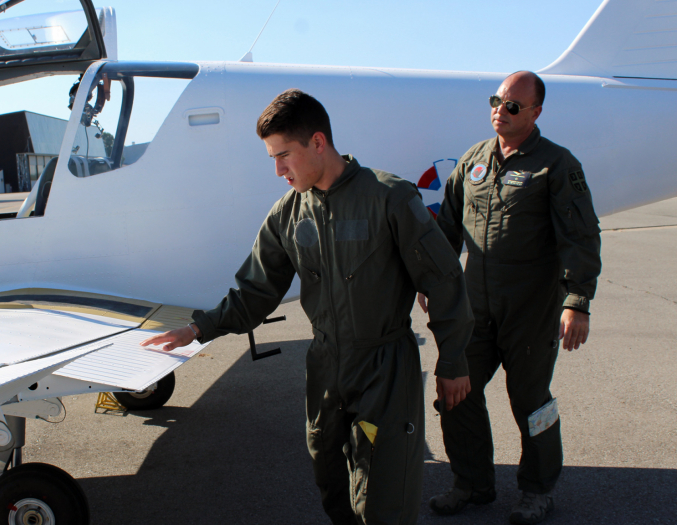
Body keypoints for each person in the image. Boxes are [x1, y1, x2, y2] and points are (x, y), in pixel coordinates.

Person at [141, 88, 474, 525]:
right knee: (333, 484)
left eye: (285, 156)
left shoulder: (388, 198)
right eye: (272, 159)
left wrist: (452, 361)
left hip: (384, 367)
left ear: (318, 142)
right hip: (326, 368)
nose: (278, 170)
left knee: (384, 497)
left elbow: (444, 281)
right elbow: (254, 291)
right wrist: (198, 329)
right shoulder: (287, 214)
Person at [424, 71, 602, 525]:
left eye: (513, 106)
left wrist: (576, 301)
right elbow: (444, 230)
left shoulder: (556, 165)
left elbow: (579, 236)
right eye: (497, 101)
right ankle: (472, 482)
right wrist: (432, 283)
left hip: (530, 310)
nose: (500, 111)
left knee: (531, 401)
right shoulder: (473, 161)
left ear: (536, 113)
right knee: (454, 390)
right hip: (474, 308)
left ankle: (537, 490)